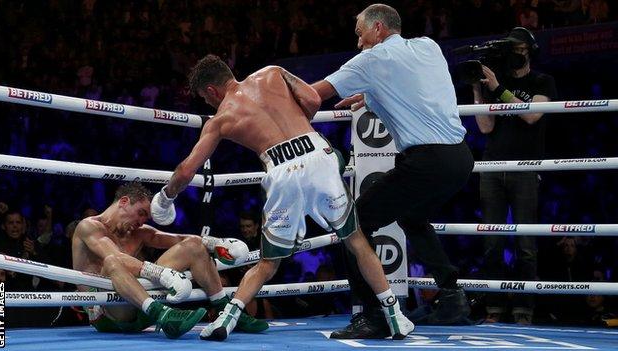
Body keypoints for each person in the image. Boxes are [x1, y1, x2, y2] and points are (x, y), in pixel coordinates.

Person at [150, 54, 413, 341]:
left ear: (212, 91)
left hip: (281, 169)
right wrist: (299, 130)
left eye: (205, 98)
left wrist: (166, 196)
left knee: (267, 262)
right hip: (317, 154)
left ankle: (226, 321)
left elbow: (187, 170)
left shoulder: (220, 119)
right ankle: (395, 316)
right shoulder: (272, 72)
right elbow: (312, 100)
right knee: (356, 240)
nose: (208, 103)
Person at [311, 3, 474, 338]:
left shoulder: (372, 60)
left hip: (426, 160)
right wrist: (372, 97)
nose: (358, 43)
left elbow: (313, 94)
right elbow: (416, 89)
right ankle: (452, 297)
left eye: (360, 34)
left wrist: (269, 89)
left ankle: (372, 315)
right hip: (460, 158)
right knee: (412, 217)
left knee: (353, 223)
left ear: (378, 29)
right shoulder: (429, 46)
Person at [72, 182, 267, 339]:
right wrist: (161, 273)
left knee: (193, 246)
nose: (142, 222)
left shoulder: (138, 232)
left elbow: (180, 239)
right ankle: (164, 315)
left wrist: (215, 243)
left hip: (141, 306)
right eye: (141, 213)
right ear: (123, 201)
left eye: (146, 218)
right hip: (110, 314)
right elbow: (114, 256)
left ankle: (226, 312)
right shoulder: (89, 227)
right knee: (112, 262)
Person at [473, 27, 557, 325]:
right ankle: (494, 309)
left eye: (520, 48)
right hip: (493, 167)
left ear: (530, 50)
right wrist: (478, 89)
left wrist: (497, 88)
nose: (515, 54)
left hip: (526, 168)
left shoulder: (542, 80)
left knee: (526, 245)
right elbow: (485, 127)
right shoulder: (499, 81)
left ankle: (524, 310)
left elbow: (532, 115)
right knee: (492, 244)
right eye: (511, 49)